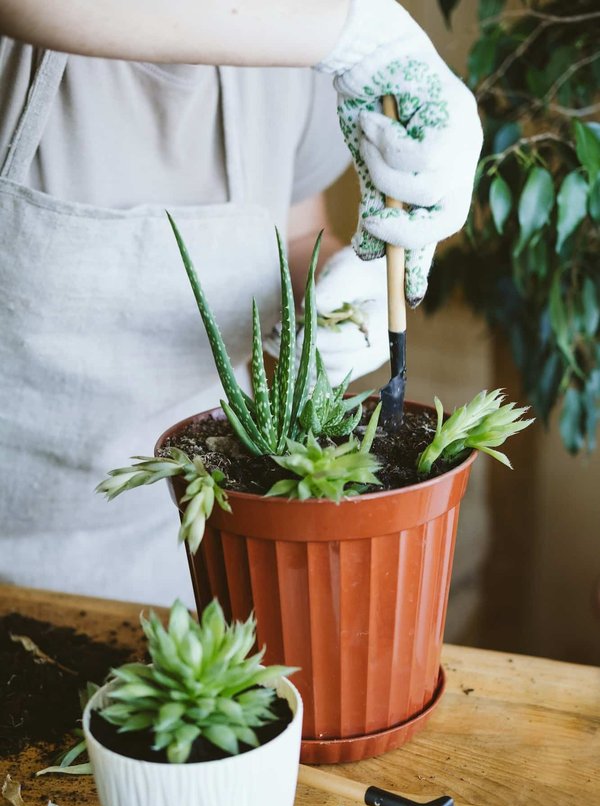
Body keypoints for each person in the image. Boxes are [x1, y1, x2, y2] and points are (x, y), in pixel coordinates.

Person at [0, 0, 482, 605]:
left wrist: (335, 286)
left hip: (188, 555)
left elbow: (293, 234)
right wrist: (355, 33)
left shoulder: (290, 48)